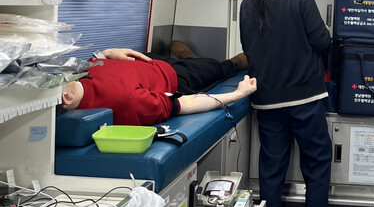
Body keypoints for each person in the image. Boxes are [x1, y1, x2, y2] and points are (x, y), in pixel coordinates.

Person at [239, 0, 339, 207]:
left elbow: (249, 47)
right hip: (305, 99)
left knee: (271, 171)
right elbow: (322, 42)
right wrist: (324, 32)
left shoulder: (249, 1)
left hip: (266, 101)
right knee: (317, 166)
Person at [60, 44, 256, 125]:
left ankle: (190, 58)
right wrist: (238, 94)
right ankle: (232, 63)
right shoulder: (129, 102)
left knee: (197, 63)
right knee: (214, 68)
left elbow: (96, 63)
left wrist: (106, 53)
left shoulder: (75, 74)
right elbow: (185, 103)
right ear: (67, 98)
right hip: (175, 78)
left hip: (148, 61)